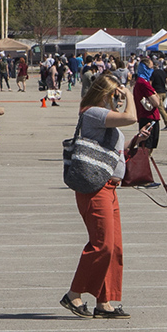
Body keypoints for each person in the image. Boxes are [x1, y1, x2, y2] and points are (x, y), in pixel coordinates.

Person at [59, 74, 149, 319]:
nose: (119, 101)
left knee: (114, 247)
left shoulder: (105, 118)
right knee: (103, 244)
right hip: (95, 188)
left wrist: (134, 142)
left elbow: (113, 152)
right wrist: (130, 93)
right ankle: (74, 294)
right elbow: (131, 117)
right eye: (116, 96)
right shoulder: (93, 113)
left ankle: (104, 302)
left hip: (110, 188)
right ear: (106, 94)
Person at [133, 58, 162, 157]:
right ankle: (142, 167)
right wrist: (155, 95)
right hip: (149, 117)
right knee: (146, 147)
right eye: (151, 67)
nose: (152, 70)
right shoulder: (143, 83)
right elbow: (156, 102)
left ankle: (144, 165)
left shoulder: (140, 81)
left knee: (149, 146)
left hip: (147, 116)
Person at [150, 64, 167, 131]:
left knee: (160, 108)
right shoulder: (163, 73)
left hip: (157, 93)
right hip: (163, 92)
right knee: (158, 107)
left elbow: (150, 83)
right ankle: (152, 121)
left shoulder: (153, 73)